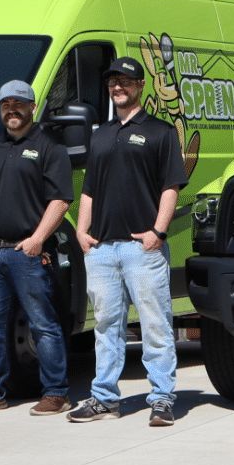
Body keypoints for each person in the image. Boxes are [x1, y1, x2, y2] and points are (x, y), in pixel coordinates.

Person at [68, 56, 188, 427]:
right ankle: (104, 398)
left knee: (154, 324)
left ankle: (162, 398)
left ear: (140, 87)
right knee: (106, 326)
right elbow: (89, 188)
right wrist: (82, 233)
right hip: (101, 249)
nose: (117, 87)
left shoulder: (160, 132)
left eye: (125, 81)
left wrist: (157, 233)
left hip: (142, 249)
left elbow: (171, 186)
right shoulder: (100, 133)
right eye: (112, 82)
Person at [0, 80, 73, 415]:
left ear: (32, 107)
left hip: (29, 253)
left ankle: (56, 392)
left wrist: (38, 239)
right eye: (6, 104)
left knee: (43, 323)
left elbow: (61, 200)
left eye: (19, 103)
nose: (12, 109)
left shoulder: (50, 148)